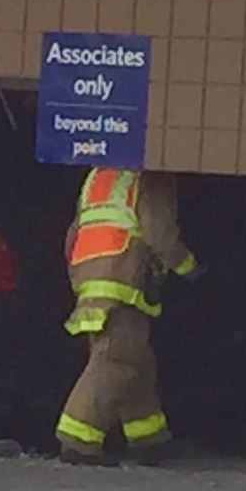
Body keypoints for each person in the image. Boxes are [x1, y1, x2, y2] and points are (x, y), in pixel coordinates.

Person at [55, 168, 204, 467]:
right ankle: (78, 440)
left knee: (137, 361)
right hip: (123, 275)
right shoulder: (151, 178)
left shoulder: (100, 175)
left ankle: (148, 439)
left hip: (91, 275)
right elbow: (158, 232)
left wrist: (79, 277)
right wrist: (189, 267)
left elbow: (74, 233)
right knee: (117, 361)